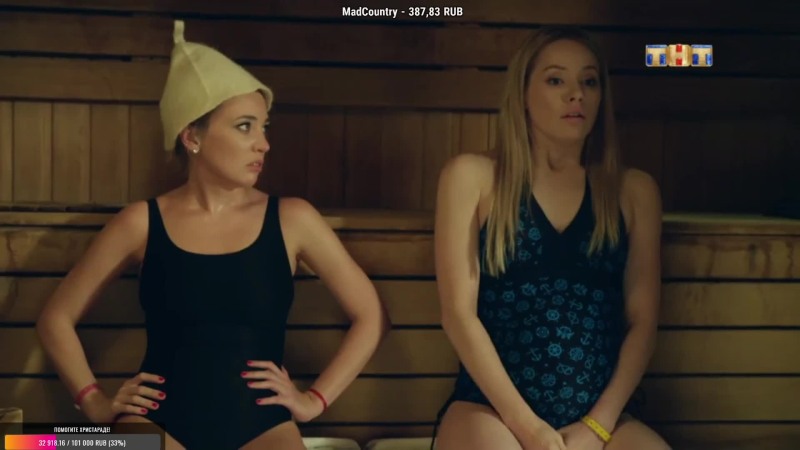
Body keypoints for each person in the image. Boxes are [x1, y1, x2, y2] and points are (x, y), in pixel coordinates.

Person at [36, 20, 389, 450]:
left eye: (264, 127)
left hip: (260, 424)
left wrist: (314, 399)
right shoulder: (141, 223)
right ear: (192, 137)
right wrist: (94, 403)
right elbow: (56, 319)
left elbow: (371, 315)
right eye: (244, 126)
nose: (263, 144)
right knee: (32, 444)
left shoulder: (292, 219)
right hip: (157, 421)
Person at [432, 26, 671, 450]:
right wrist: (529, 429)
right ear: (523, 93)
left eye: (589, 82)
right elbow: (458, 315)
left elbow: (642, 324)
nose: (576, 94)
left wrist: (597, 427)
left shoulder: (633, 191)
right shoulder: (472, 177)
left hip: (603, 418)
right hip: (490, 410)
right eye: (556, 80)